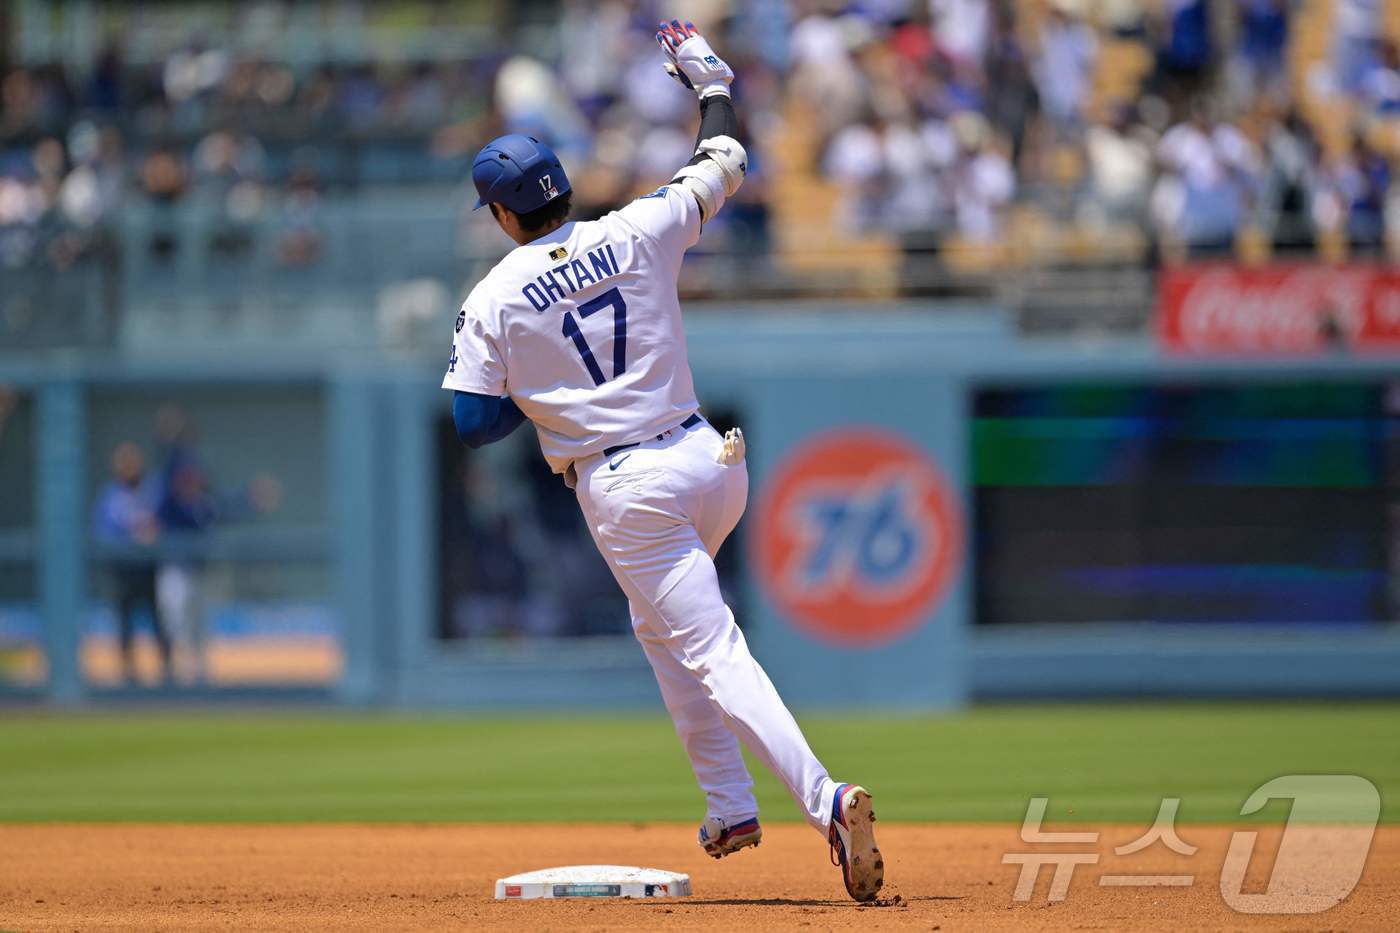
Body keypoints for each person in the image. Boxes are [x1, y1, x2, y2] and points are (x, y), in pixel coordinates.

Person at [440, 20, 883, 903]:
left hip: (627, 488)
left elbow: (471, 422)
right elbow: (725, 154)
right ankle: (729, 804)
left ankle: (827, 799)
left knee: (714, 649)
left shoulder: (491, 297)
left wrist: (543, 395)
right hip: (710, 462)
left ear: (500, 213)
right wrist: (710, 80)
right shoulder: (638, 225)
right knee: (661, 629)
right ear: (563, 186)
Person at [92, 442, 172, 684]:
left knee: (158, 619)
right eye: (124, 463)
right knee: (125, 622)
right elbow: (102, 531)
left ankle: (168, 672)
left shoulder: (154, 490)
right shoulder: (110, 496)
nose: (129, 468)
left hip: (149, 567)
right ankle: (128, 674)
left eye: (132, 462)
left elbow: (167, 519)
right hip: (124, 568)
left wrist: (155, 532)